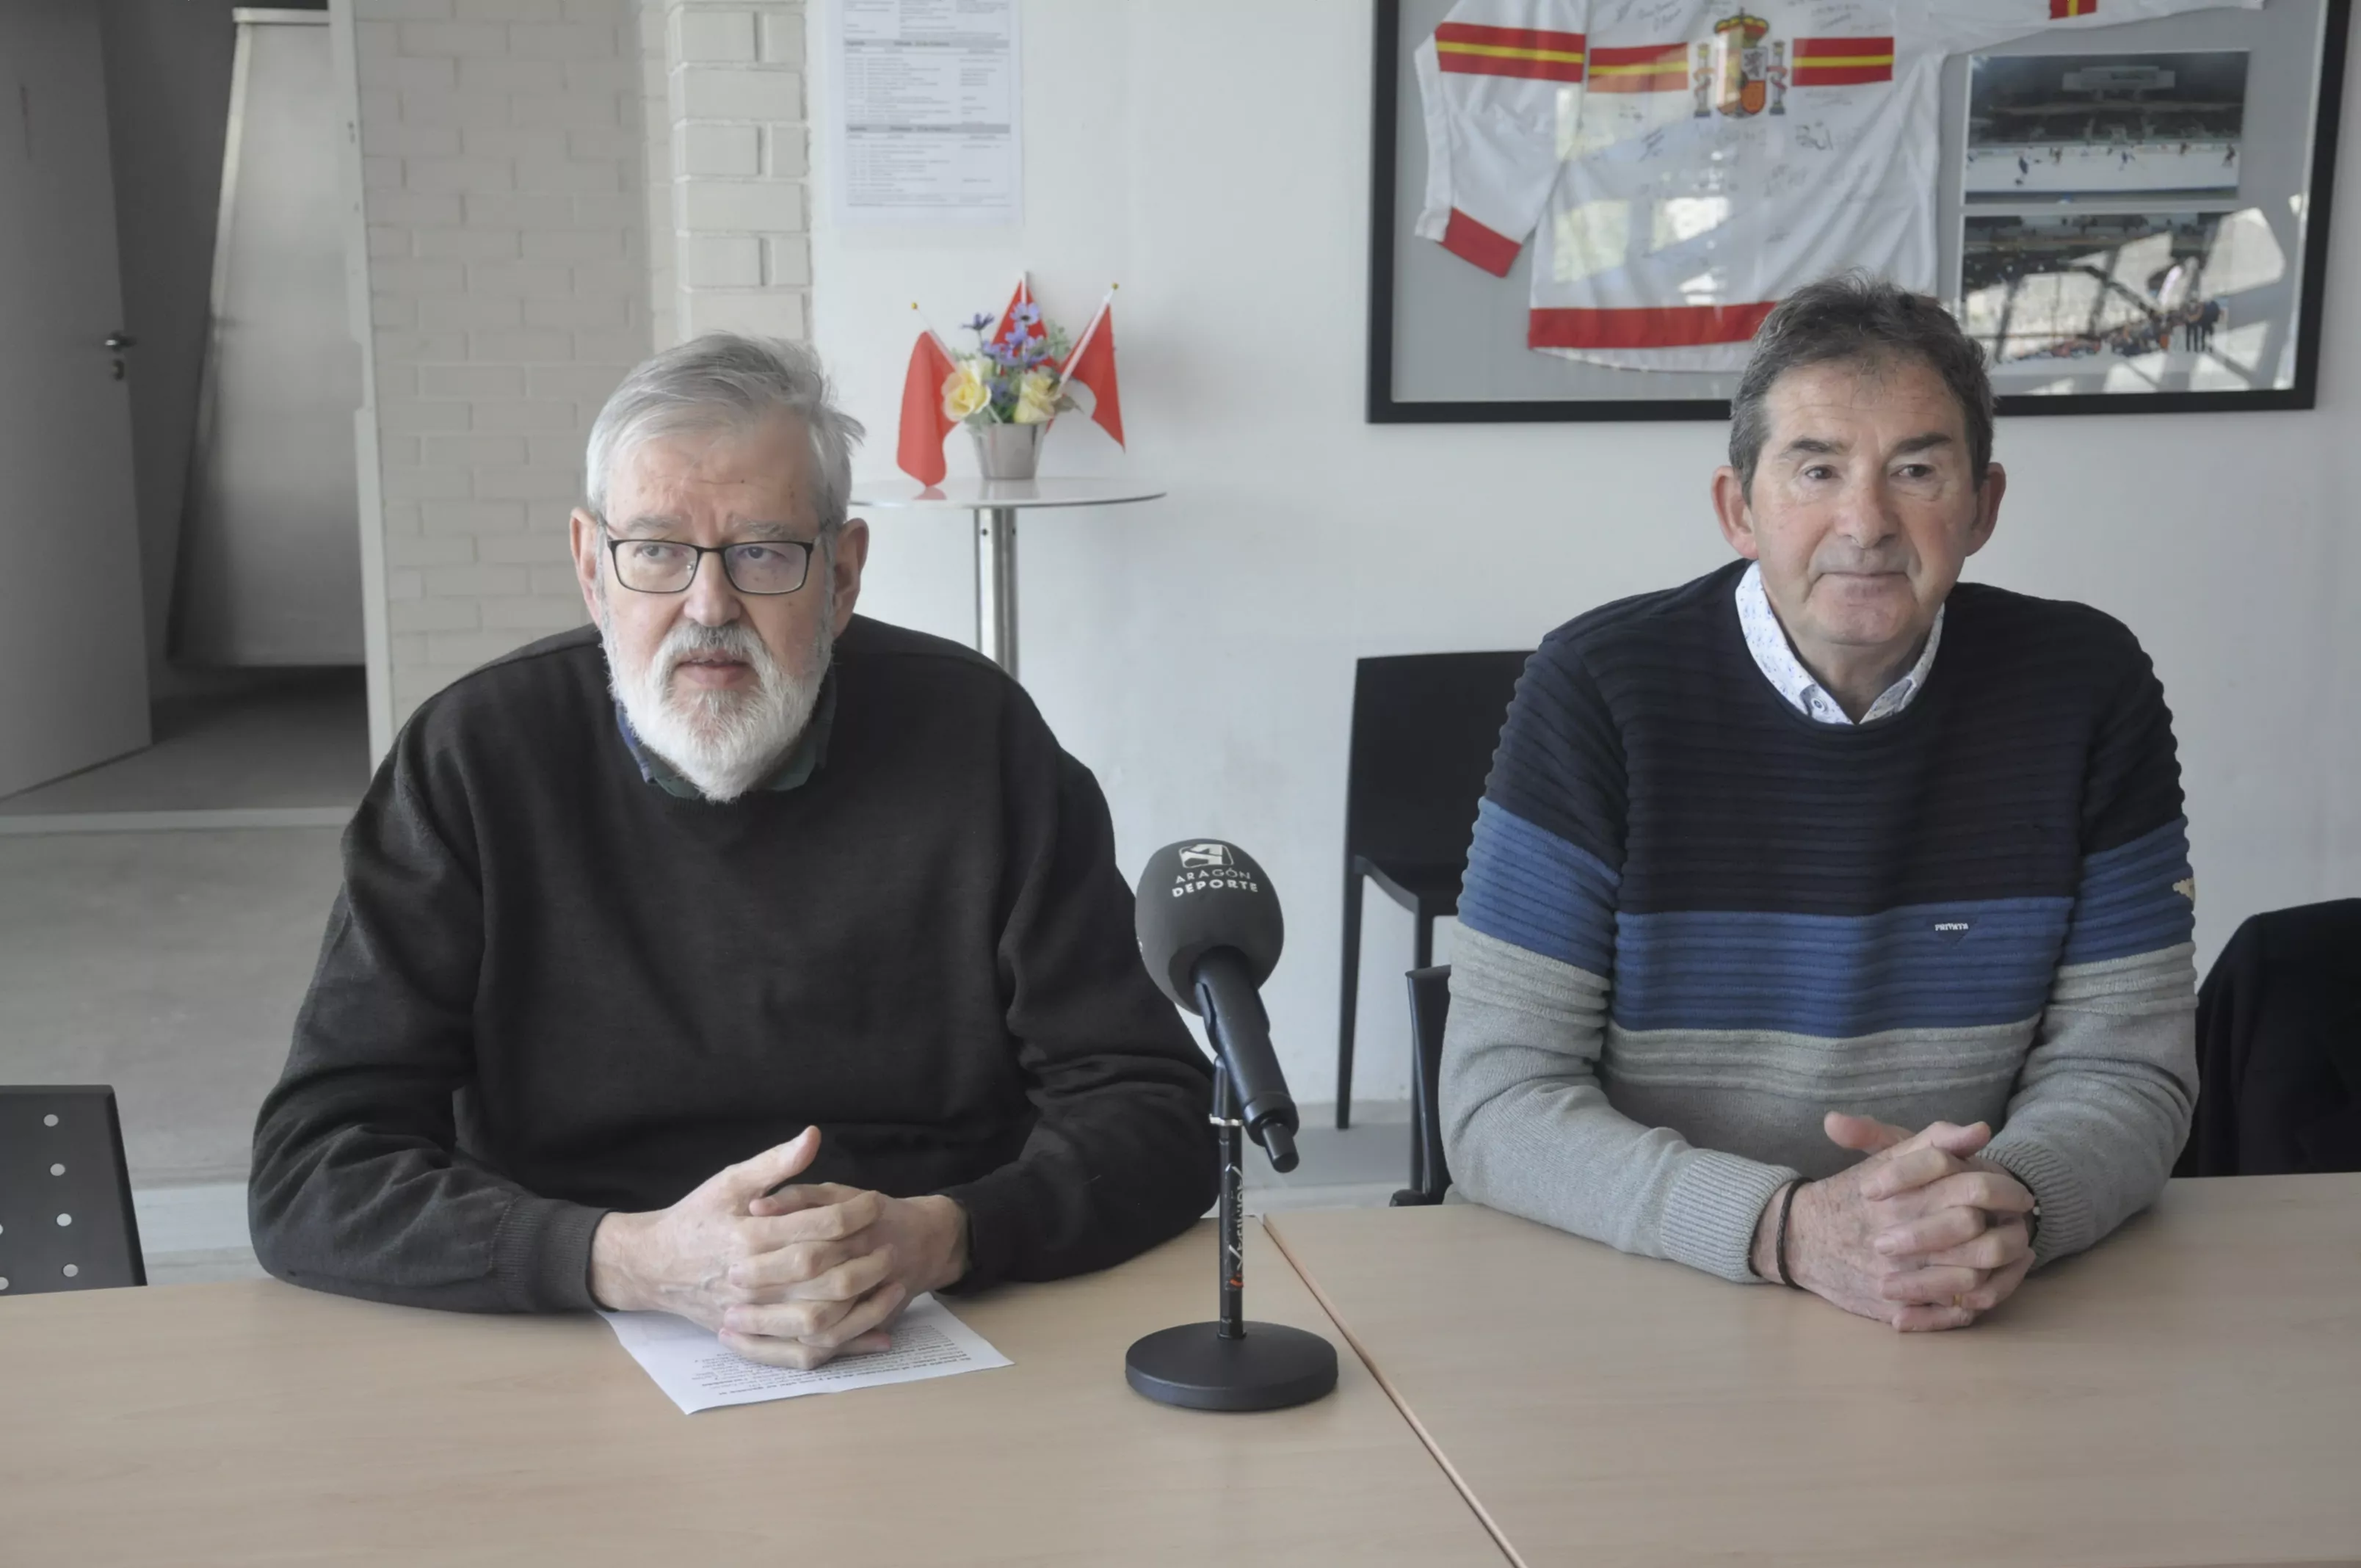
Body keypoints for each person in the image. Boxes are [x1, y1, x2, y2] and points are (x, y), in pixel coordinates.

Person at [251, 335, 1216, 1366]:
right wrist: (629, 1259)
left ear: (841, 575)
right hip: (577, 1338)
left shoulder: (980, 742)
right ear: (591, 568)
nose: (708, 609)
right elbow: (315, 1170)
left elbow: (1152, 1108)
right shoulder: (474, 762)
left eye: (762, 552)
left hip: (940, 1321)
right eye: (657, 551)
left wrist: (947, 1234)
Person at [1443, 273, 2197, 1332]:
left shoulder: (2088, 688)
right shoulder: (1599, 690)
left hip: (1970, 1298)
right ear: (1738, 509)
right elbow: (1497, 1102)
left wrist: (2000, 1208)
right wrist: (1787, 1230)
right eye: (1817, 469)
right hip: (1653, 1288)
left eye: (1918, 470)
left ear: (1982, 507)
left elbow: (2129, 1068)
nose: (1867, 521)